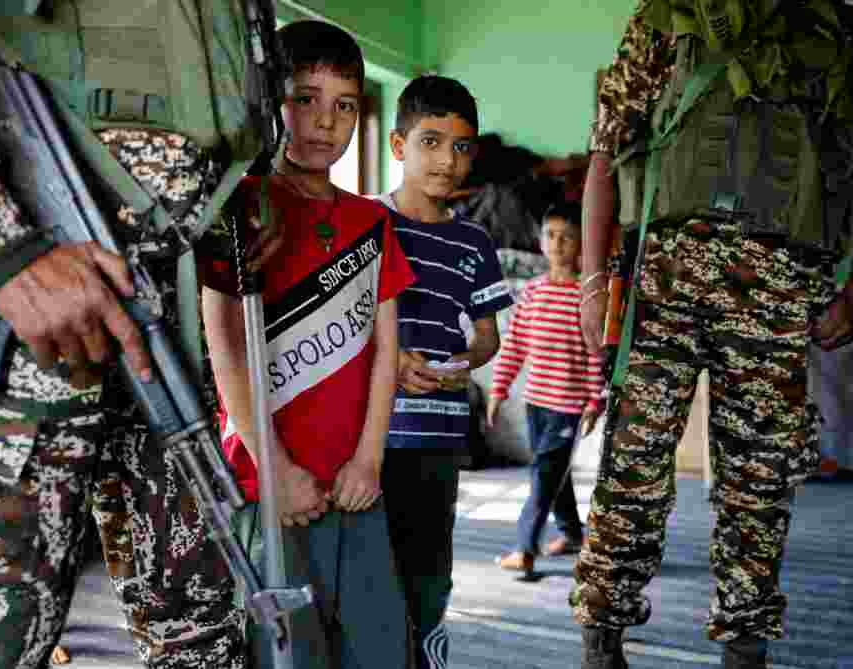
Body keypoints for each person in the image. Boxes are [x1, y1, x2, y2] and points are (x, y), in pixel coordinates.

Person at [572, 1, 853, 667]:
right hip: (663, 275)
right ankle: (601, 637)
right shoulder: (668, 14)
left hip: (781, 281)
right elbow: (605, 152)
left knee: (759, 476)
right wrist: (590, 278)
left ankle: (745, 644)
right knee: (632, 464)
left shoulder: (839, 24)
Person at [0, 2, 273, 667]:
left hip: (167, 308)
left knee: (202, 627)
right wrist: (0, 246)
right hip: (32, 300)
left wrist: (240, 186)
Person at [199, 20, 416, 669]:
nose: (325, 121)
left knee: (377, 646)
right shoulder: (241, 207)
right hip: (268, 484)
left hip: (355, 483)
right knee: (287, 652)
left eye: (345, 104)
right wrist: (276, 465)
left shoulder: (371, 221)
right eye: (305, 99)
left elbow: (385, 349)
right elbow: (225, 344)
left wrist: (370, 459)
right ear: (270, 101)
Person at [377, 75, 513, 669]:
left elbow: (487, 336)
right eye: (431, 142)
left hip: (436, 437)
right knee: (366, 575)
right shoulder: (366, 226)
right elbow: (349, 328)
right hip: (368, 438)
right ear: (397, 145)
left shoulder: (474, 242)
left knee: (428, 571)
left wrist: (466, 362)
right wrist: (393, 361)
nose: (446, 161)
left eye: (461, 147)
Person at [487, 201, 604, 575]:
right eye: (551, 235)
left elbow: (594, 355)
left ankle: (525, 548)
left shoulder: (585, 299)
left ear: (581, 244)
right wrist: (498, 390)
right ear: (541, 241)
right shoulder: (534, 293)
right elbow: (516, 345)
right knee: (554, 472)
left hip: (569, 406)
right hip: (536, 402)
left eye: (567, 237)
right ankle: (572, 533)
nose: (557, 244)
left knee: (542, 474)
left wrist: (593, 401)